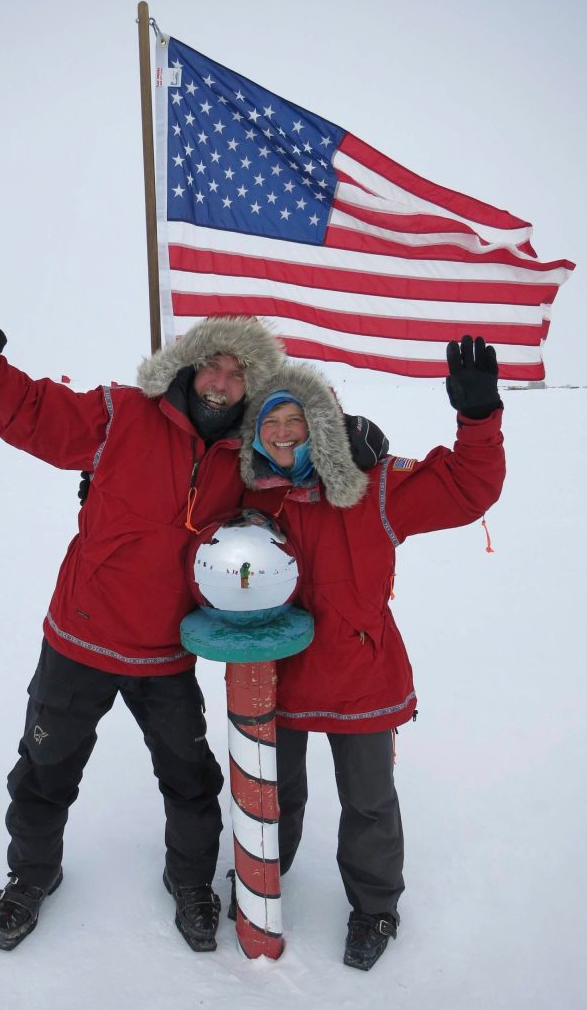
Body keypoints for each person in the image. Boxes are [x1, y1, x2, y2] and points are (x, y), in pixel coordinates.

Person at [0, 256, 386, 955]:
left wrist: (346, 445)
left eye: (240, 375)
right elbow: (34, 416)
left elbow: (305, 483)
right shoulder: (121, 413)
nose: (222, 381)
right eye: (213, 365)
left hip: (165, 652)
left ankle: (190, 885)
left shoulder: (249, 463)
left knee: (190, 780)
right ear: (188, 364)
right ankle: (30, 876)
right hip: (79, 640)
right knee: (44, 770)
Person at [235, 336, 505, 970]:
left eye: (296, 419)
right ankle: (259, 885)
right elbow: (188, 530)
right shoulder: (248, 495)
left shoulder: (377, 486)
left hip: (361, 678)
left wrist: (477, 417)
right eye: (270, 420)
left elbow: (469, 489)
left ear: (322, 424)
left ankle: (375, 906)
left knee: (369, 804)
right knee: (276, 796)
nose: (282, 432)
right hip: (276, 680)